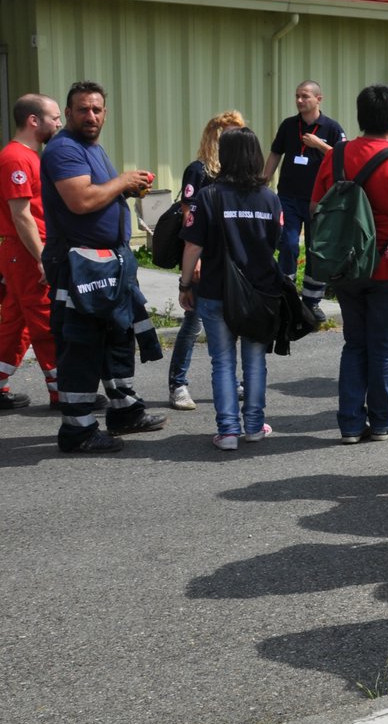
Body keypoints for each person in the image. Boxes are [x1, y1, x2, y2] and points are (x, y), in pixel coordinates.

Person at [41, 80, 167, 453]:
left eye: (97, 109)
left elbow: (100, 192)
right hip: (79, 264)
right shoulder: (64, 149)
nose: (91, 116)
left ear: (105, 113)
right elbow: (80, 200)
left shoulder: (91, 147)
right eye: (83, 109)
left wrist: (126, 189)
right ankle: (78, 430)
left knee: (116, 335)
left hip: (106, 263)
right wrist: (122, 181)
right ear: (68, 113)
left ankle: (124, 411)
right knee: (80, 344)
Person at [310, 84, 388, 443]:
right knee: (384, 345)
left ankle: (349, 423)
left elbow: (316, 209)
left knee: (354, 343)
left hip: (347, 266)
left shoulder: (336, 157)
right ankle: (382, 420)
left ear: (360, 118)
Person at [177, 128, 281, 451]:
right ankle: (253, 426)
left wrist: (184, 285)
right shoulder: (270, 198)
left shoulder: (208, 196)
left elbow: (192, 247)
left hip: (215, 291)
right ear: (255, 156)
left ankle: (228, 432)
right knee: (255, 361)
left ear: (224, 156)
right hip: (260, 293)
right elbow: (275, 241)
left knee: (222, 361)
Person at [167, 111, 246, 411]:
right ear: (215, 137)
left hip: (228, 260)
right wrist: (194, 261)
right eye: (230, 133)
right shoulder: (199, 170)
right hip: (202, 257)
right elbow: (189, 214)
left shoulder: (235, 174)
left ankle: (233, 380)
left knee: (231, 319)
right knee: (194, 321)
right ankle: (178, 384)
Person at [264, 80, 344, 324]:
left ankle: (311, 302)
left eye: (305, 96)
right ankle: (285, 298)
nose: (300, 100)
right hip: (288, 196)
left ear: (319, 99)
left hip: (318, 200)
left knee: (315, 249)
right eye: (297, 96)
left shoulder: (331, 127)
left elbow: (341, 157)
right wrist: (262, 180)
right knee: (287, 243)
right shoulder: (289, 125)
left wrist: (318, 145)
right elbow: (276, 153)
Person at [0, 94, 62, 410]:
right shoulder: (17, 158)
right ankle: (63, 393)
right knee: (45, 321)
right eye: (54, 117)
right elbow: (21, 214)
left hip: (23, 251)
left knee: (16, 322)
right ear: (33, 121)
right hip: (28, 252)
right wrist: (42, 259)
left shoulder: (28, 157)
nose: (59, 123)